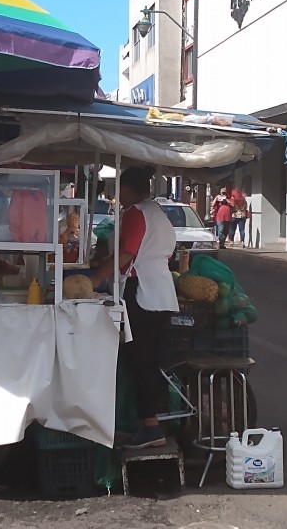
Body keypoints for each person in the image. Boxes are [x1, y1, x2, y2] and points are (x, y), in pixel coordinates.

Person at [91, 166, 179, 449]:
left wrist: (95, 278)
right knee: (146, 359)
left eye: (121, 189)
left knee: (140, 360)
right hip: (161, 291)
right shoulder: (157, 213)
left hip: (143, 293)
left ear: (129, 188)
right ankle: (148, 422)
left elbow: (127, 251)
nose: (119, 195)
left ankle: (151, 426)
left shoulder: (137, 212)